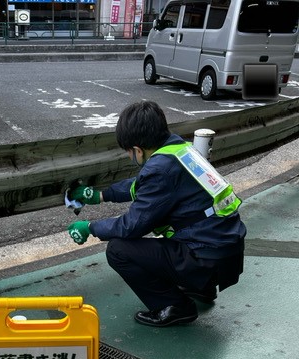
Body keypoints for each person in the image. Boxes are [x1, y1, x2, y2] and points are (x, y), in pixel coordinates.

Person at [67, 101, 246, 327]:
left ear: (138, 150)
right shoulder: (181, 150)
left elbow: (132, 225)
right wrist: (101, 196)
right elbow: (141, 185)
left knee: (119, 250)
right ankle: (200, 288)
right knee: (187, 230)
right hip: (226, 252)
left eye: (129, 152)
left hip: (205, 259)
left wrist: (90, 228)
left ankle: (174, 307)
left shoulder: (160, 169)